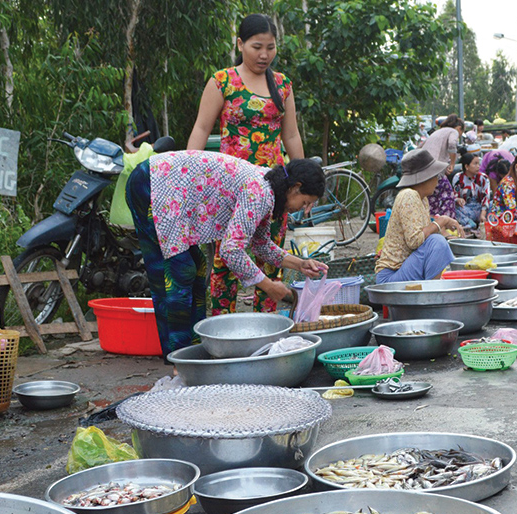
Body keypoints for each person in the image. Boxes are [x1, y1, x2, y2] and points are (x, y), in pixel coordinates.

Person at [125, 152, 327, 358]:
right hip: (153, 182)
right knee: (180, 271)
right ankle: (177, 356)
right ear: (296, 187)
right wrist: (267, 285)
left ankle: (193, 348)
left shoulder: (270, 191)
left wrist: (300, 264)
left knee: (197, 266)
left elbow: (261, 244)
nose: (304, 210)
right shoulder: (260, 192)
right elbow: (231, 250)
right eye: (305, 202)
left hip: (169, 190)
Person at [186, 14, 305, 315]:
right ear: (240, 44)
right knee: (226, 258)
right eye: (256, 47)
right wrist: (191, 179)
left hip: (277, 188)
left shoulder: (283, 85)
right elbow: (201, 129)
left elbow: (290, 135)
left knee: (271, 257)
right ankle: (220, 329)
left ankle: (267, 329)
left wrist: (304, 181)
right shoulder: (222, 81)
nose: (264, 55)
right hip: (229, 188)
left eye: (271, 47)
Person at [375, 149, 463, 283]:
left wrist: (448, 232)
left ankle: (432, 292)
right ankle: (431, 294)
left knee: (439, 240)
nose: (437, 181)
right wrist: (442, 220)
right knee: (438, 242)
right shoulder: (409, 196)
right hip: (391, 277)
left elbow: (426, 232)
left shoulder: (422, 199)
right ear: (424, 178)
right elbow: (415, 240)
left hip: (405, 269)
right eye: (435, 176)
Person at [420, 114, 465, 222]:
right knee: (448, 196)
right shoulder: (452, 132)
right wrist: (452, 163)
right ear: (459, 128)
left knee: (431, 197)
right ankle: (449, 224)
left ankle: (430, 223)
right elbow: (452, 144)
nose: (459, 135)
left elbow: (420, 146)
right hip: (435, 169)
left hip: (424, 169)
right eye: (461, 133)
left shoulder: (437, 132)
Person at [452, 153, 490, 231]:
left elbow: (486, 198)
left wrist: (482, 215)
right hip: (465, 209)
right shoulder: (458, 178)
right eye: (475, 164)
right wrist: (458, 200)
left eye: (478, 164)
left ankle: (473, 223)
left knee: (493, 205)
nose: (478, 166)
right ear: (466, 166)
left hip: (480, 209)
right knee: (452, 207)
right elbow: (454, 196)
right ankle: (469, 223)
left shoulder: (483, 178)